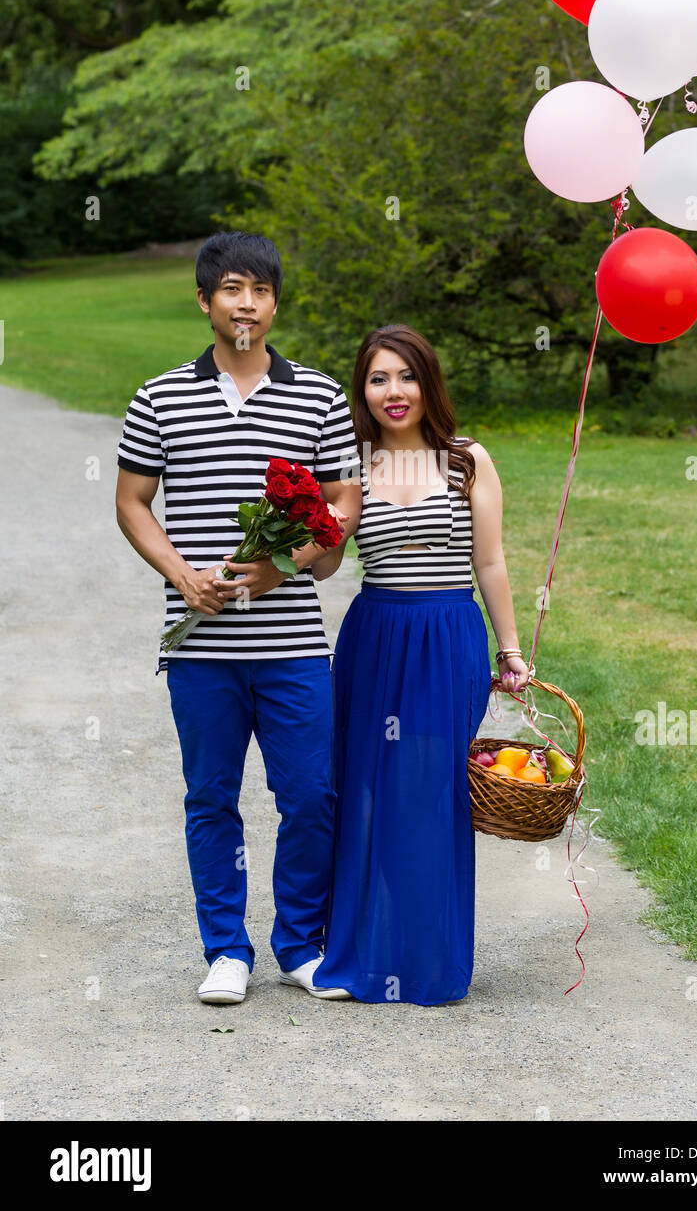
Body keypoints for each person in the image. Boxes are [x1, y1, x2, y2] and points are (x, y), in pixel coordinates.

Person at [115, 231, 362, 1004]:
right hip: (201, 654)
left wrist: (284, 564)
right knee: (211, 797)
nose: (245, 303)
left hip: (290, 646)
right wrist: (181, 574)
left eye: (258, 290)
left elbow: (342, 507)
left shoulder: (318, 395)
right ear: (204, 301)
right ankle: (225, 949)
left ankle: (300, 945)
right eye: (230, 289)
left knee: (312, 796)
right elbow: (132, 501)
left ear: (275, 302)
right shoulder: (159, 397)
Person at [311, 323, 531, 1005]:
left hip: (447, 636)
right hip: (375, 635)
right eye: (378, 379)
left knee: (433, 791)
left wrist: (511, 649)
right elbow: (323, 567)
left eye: (405, 376)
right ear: (364, 391)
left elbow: (488, 561)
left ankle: (430, 958)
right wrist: (301, 524)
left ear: (427, 382)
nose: (393, 391)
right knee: (368, 786)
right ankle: (363, 950)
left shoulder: (466, 461)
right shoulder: (353, 465)